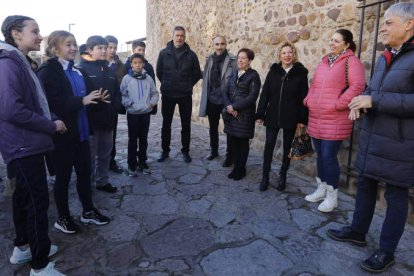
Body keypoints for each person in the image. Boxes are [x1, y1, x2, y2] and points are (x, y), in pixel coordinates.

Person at [327, 3, 414, 273]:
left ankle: (386, 251)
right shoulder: (384, 56)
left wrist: (374, 99)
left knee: (396, 196)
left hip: (400, 143)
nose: (382, 28)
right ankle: (357, 230)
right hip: (373, 135)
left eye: (388, 22)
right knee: (364, 183)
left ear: (409, 24)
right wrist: (360, 102)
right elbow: (373, 90)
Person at [0, 15, 64, 275]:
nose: (40, 36)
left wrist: (52, 117)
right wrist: (50, 126)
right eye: (34, 31)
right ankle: (40, 265)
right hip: (24, 146)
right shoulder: (8, 64)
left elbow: (34, 102)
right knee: (37, 204)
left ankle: (24, 247)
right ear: (16, 34)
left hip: (24, 146)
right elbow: (12, 109)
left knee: (23, 198)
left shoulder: (20, 62)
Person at [38, 30, 111, 234]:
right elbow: (50, 103)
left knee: (84, 174)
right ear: (55, 48)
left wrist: (97, 100)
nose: (73, 48)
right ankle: (63, 218)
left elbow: (87, 99)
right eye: (68, 44)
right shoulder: (47, 71)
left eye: (74, 44)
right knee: (62, 178)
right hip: (62, 136)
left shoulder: (78, 71)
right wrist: (82, 100)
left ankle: (88, 211)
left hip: (81, 134)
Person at [303, 29, 365, 212]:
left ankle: (332, 196)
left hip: (336, 118)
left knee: (329, 157)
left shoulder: (351, 62)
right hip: (317, 116)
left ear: (346, 44)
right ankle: (321, 189)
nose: (332, 43)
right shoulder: (324, 61)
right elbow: (314, 84)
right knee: (321, 156)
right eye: (331, 40)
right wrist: (308, 100)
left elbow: (358, 86)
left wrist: (339, 104)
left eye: (337, 41)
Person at [256, 41, 309, 192]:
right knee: (269, 146)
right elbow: (265, 93)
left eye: (290, 52)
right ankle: (265, 177)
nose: (287, 55)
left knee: (287, 149)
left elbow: (303, 98)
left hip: (291, 117)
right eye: (284, 53)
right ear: (279, 55)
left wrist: (302, 119)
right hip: (272, 115)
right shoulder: (273, 72)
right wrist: (260, 113)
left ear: (294, 55)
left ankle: (283, 176)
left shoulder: (301, 74)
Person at [80, 35, 120, 193]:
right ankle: (87, 186)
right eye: (100, 48)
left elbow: (116, 92)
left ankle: (102, 181)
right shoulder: (82, 69)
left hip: (108, 119)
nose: (104, 51)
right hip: (91, 121)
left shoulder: (110, 69)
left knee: (105, 154)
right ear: (90, 50)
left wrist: (115, 106)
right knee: (89, 157)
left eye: (105, 48)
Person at [156, 26, 201, 163]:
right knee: (166, 124)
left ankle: (186, 151)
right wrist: (167, 84)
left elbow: (197, 74)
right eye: (177, 35)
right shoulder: (164, 53)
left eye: (182, 35)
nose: (179, 38)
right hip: (168, 94)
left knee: (186, 125)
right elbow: (159, 72)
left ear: (185, 37)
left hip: (184, 95)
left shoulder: (191, 55)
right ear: (173, 36)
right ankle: (165, 151)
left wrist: (187, 85)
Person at [223, 48, 261, 181]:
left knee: (242, 143)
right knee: (233, 141)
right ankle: (235, 168)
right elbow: (226, 91)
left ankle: (241, 169)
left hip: (245, 115)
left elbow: (252, 97)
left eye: (244, 58)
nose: (240, 60)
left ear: (250, 60)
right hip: (231, 114)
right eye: (239, 57)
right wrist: (228, 106)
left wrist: (234, 106)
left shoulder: (253, 76)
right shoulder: (234, 73)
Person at [199, 35, 236, 164]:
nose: (219, 47)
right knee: (213, 127)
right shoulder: (209, 59)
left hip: (226, 100)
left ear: (225, 45)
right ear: (213, 45)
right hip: (212, 99)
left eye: (222, 44)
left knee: (229, 129)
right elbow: (205, 76)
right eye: (217, 44)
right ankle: (214, 150)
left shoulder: (232, 60)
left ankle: (230, 155)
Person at [121, 53, 159, 176]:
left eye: (140, 62)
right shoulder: (126, 78)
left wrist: (152, 103)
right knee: (132, 140)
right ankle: (132, 164)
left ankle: (142, 162)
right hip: (132, 113)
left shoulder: (148, 78)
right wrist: (129, 103)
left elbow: (155, 93)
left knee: (143, 139)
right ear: (131, 65)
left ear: (143, 64)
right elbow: (122, 94)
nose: (138, 65)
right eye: (135, 63)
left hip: (145, 113)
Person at [105, 35, 127, 174]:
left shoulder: (120, 66)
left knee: (112, 135)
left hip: (113, 105)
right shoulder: (99, 64)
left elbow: (123, 85)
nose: (112, 50)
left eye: (114, 47)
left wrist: (119, 104)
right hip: (99, 105)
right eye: (109, 47)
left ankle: (111, 161)